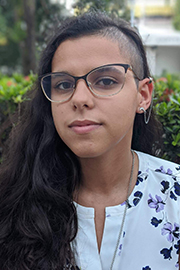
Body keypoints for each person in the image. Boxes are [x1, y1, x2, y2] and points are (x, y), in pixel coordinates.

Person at [0, 11, 180, 270]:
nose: (79, 98)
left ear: (143, 95)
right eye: (63, 85)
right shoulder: (13, 204)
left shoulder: (174, 197)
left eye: (106, 81)